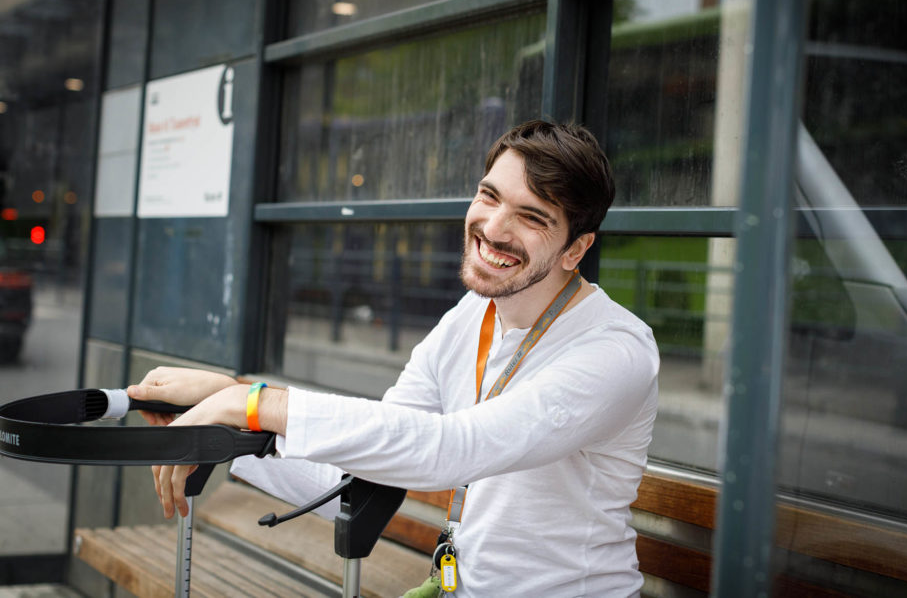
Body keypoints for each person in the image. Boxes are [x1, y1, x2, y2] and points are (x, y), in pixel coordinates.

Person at [129, 120, 660, 597]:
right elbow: (362, 468)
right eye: (489, 196)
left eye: (531, 217)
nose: (494, 227)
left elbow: (452, 448)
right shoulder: (471, 314)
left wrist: (250, 402)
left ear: (575, 249)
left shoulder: (615, 351)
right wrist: (221, 422)